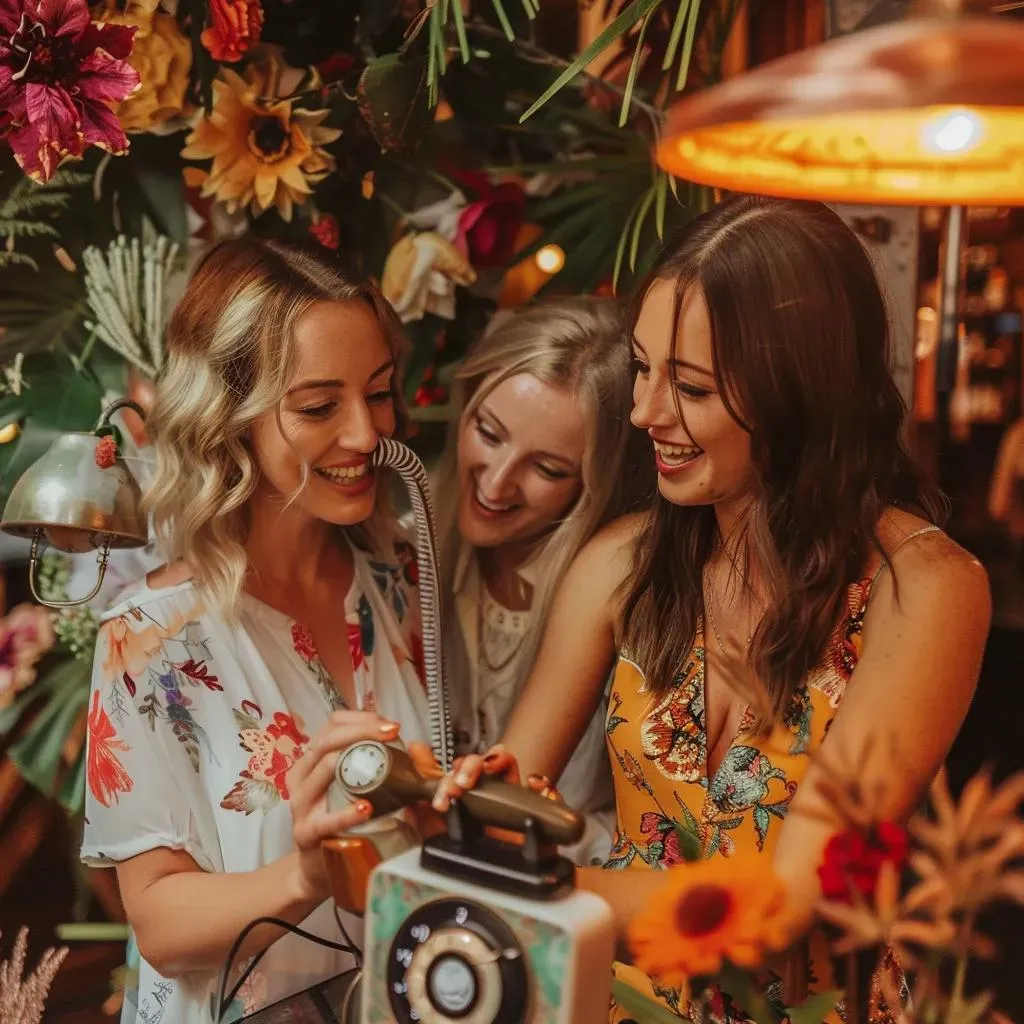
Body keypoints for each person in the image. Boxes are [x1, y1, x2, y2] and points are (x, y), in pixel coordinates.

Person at [434, 195, 991, 1020]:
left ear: (798, 391)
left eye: (688, 386)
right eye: (642, 368)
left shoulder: (926, 590)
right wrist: (449, 807)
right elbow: (516, 790)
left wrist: (532, 890)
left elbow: (783, 899)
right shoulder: (622, 563)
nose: (644, 412)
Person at [81, 238, 437, 1024]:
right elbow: (161, 925)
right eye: (318, 406)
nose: (364, 435)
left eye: (378, 393)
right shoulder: (149, 638)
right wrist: (305, 876)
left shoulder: (400, 582)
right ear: (228, 417)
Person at [432, 297, 652, 865]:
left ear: (595, 486)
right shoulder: (407, 553)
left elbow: (647, 827)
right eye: (488, 431)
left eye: (548, 469)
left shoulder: (617, 598)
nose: (498, 483)